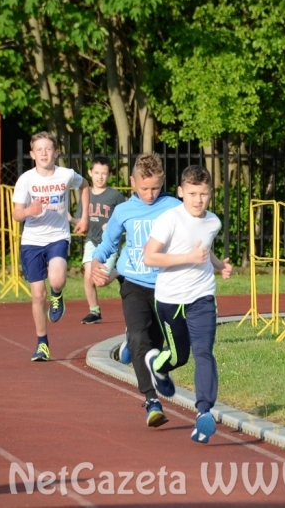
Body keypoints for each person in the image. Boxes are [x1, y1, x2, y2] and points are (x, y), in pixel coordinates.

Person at [143, 165, 233, 444]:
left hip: (202, 296)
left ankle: (204, 411)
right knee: (179, 356)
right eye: (192, 193)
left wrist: (218, 266)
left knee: (204, 352)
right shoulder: (169, 219)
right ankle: (156, 364)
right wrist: (189, 258)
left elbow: (204, 246)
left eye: (204, 194)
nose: (198, 200)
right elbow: (150, 258)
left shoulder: (213, 222)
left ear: (210, 194)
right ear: (181, 192)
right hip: (170, 299)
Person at [91, 154, 182, 427]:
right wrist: (97, 262)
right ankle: (152, 401)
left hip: (166, 287)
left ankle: (130, 346)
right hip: (133, 283)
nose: (150, 194)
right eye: (144, 188)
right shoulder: (124, 211)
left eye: (155, 187)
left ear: (162, 181)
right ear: (132, 182)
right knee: (142, 340)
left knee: (156, 345)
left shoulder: (174, 207)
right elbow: (108, 243)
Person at [12, 132, 90, 362]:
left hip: (57, 236)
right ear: (32, 154)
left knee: (56, 280)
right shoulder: (26, 180)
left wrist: (84, 216)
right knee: (38, 294)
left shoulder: (66, 175)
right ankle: (42, 344)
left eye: (48, 149)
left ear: (56, 152)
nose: (44, 153)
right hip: (32, 241)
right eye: (39, 149)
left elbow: (84, 185)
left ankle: (57, 294)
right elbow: (17, 214)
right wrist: (28, 211)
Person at [70, 156, 125, 324]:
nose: (100, 177)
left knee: (100, 281)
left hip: (110, 243)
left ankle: (120, 271)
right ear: (90, 173)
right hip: (91, 241)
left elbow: (125, 219)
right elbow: (81, 221)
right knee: (88, 277)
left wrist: (112, 225)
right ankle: (94, 311)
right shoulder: (86, 195)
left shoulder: (115, 196)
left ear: (109, 175)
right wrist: (69, 218)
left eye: (104, 173)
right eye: (96, 173)